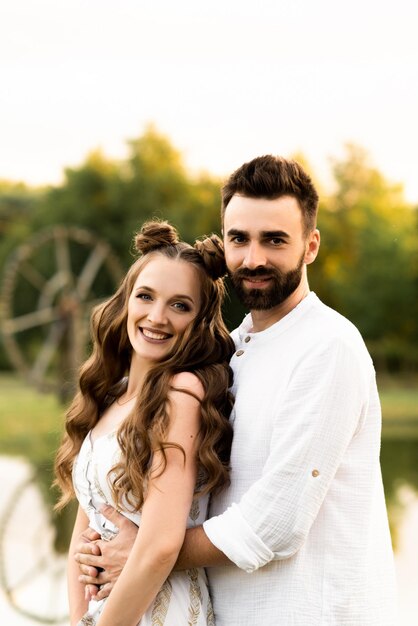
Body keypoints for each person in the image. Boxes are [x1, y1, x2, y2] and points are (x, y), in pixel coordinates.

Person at [75, 156, 398, 625]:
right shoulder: (236, 346)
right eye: (239, 239)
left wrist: (145, 550)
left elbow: (277, 521)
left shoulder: (328, 346)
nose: (253, 259)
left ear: (310, 246)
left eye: (274, 240)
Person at [54, 220, 235, 626]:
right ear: (126, 301)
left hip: (158, 612)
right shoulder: (110, 394)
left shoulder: (182, 395)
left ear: (200, 320)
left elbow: (159, 547)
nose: (157, 317)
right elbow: (83, 534)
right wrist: (79, 618)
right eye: (146, 296)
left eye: (180, 305)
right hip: (106, 613)